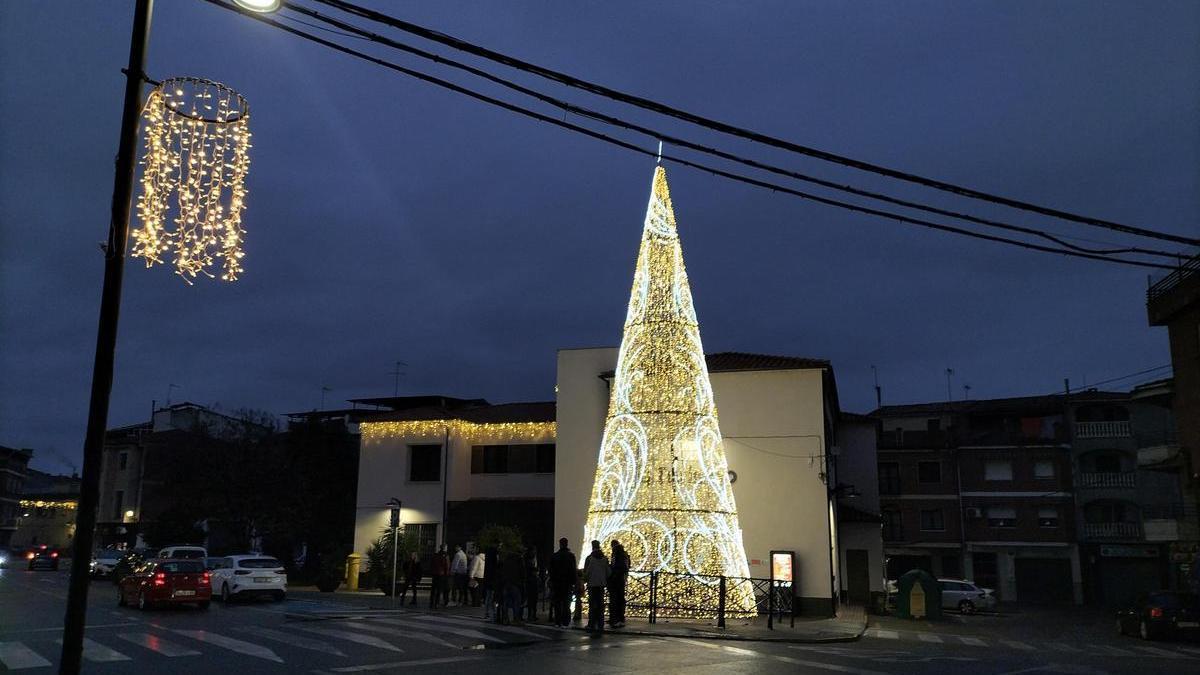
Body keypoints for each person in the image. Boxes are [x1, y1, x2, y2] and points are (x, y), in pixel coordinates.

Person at [583, 540, 610, 633]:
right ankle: (600, 624)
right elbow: (608, 572)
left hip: (592, 584)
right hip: (601, 584)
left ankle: (591, 623)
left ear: (592, 547)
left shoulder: (589, 558)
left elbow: (586, 572)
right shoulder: (605, 558)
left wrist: (585, 578)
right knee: (600, 605)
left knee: (592, 605)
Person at [549, 537, 577, 627]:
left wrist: (552, 581)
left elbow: (551, 570)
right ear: (567, 544)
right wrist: (574, 582)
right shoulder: (571, 556)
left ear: (560, 544)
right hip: (567, 583)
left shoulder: (555, 556)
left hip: (557, 583)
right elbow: (573, 570)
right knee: (566, 603)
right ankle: (565, 622)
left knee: (557, 603)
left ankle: (557, 621)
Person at [501, 547, 526, 625]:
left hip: (506, 583)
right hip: (515, 583)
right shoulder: (519, 559)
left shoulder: (506, 559)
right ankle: (516, 619)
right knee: (516, 602)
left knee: (505, 602)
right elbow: (522, 572)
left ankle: (505, 619)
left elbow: (502, 571)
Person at [608, 540, 630, 628]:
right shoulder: (623, 554)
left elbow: (618, 567)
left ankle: (616, 619)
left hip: (617, 580)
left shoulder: (618, 554)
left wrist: (613, 574)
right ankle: (619, 618)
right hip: (620, 579)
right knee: (619, 599)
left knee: (615, 599)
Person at [483, 545, 500, 620]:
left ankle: (486, 613)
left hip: (488, 579)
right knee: (493, 598)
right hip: (494, 580)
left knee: (488, 597)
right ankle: (494, 612)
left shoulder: (487, 560)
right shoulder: (495, 563)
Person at [430, 545, 450, 609]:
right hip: (442, 574)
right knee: (440, 589)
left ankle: (431, 603)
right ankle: (437, 603)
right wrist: (447, 574)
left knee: (433, 589)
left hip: (435, 574)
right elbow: (447, 565)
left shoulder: (435, 555)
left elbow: (432, 564)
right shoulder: (445, 556)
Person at [523, 545, 540, 621]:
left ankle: (532, 615)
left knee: (532, 599)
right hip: (531, 580)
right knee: (532, 599)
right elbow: (530, 569)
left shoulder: (530, 558)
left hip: (531, 580)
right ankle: (531, 615)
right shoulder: (529, 559)